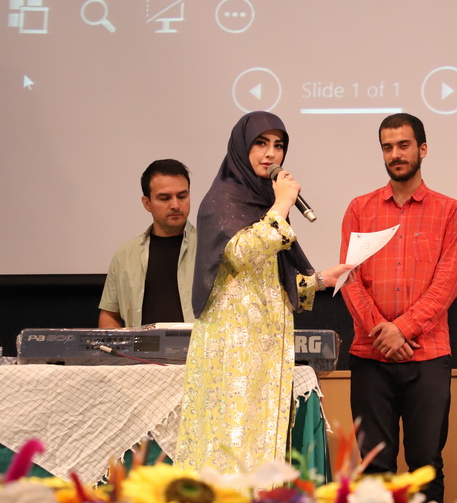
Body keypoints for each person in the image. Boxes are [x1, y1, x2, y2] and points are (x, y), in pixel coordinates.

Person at [175, 111, 350, 472]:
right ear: (242, 148)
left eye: (278, 145)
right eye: (260, 143)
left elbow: (271, 282)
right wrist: (282, 204)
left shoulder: (263, 205)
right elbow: (241, 253)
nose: (271, 154)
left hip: (266, 352)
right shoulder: (220, 201)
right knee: (231, 449)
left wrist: (320, 280)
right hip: (232, 351)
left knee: (261, 450)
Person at [340, 112, 457, 503]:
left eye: (404, 145)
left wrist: (403, 329)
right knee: (375, 470)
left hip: (427, 356)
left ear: (422, 149)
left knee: (425, 467)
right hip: (370, 356)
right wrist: (383, 333)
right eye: (388, 147)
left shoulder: (449, 210)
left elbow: (447, 283)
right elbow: (349, 279)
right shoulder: (359, 209)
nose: (395, 154)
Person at [98, 159, 196, 328]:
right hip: (141, 346)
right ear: (147, 203)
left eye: (182, 196)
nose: (175, 205)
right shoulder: (125, 255)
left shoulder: (210, 249)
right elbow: (109, 315)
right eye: (164, 198)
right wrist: (119, 345)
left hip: (197, 345)